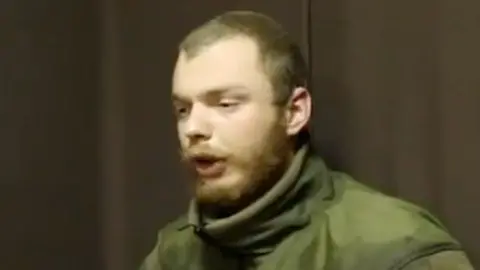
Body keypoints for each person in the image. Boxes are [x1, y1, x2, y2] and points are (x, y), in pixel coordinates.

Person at [140, 10, 475, 270]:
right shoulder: (172, 255)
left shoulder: (394, 252)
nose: (193, 128)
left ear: (295, 112)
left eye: (226, 104)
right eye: (183, 109)